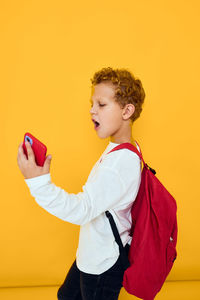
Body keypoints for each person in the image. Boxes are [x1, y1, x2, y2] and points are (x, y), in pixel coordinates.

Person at [17, 66, 145, 300]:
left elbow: (83, 210)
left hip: (104, 264)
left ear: (127, 111)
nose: (91, 110)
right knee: (67, 296)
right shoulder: (121, 150)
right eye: (92, 103)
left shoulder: (119, 163)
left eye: (101, 104)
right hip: (93, 253)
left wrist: (38, 183)